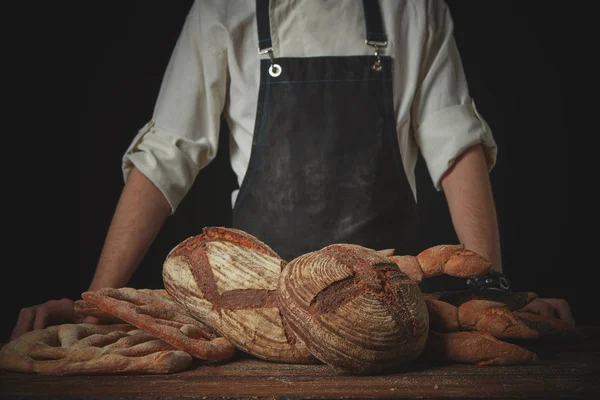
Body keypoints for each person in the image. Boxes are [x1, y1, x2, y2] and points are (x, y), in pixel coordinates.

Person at [11, 0, 573, 340]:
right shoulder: (222, 8)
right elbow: (167, 155)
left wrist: (494, 294)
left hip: (391, 316)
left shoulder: (414, 8)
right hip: (253, 318)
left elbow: (456, 148)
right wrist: (96, 301)